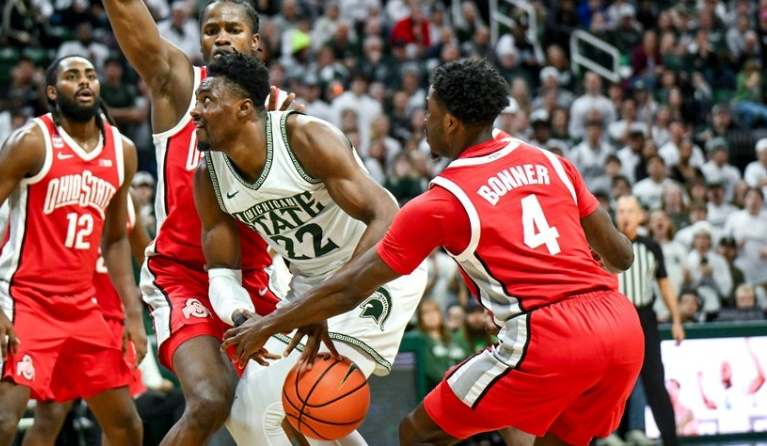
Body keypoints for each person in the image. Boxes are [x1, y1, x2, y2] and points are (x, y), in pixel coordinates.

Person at [223, 58, 643, 445]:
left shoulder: (444, 198)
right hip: (620, 325)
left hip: (548, 333)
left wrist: (271, 324)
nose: (423, 122)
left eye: (428, 112)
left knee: (418, 434)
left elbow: (352, 287)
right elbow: (622, 255)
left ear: (451, 121)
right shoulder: (551, 162)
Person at [100, 0, 292, 442]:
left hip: (259, 278)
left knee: (296, 412)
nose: (221, 37)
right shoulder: (179, 85)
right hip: (183, 274)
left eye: (232, 29)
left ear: (256, 44)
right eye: (211, 29)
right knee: (210, 399)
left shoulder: (285, 112)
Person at [194, 52, 426, 445]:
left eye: (206, 101)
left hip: (378, 271)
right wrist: (239, 315)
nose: (195, 113)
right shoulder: (209, 177)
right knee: (254, 414)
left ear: (244, 109)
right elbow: (221, 270)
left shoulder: (304, 138)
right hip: (311, 287)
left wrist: (318, 303)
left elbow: (388, 219)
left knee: (298, 404)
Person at [0, 55, 144, 446]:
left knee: (126, 426)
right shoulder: (31, 142)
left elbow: (116, 239)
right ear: (53, 93)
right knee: (4, 422)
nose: (85, 82)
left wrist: (133, 312)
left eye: (91, 75)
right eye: (72, 76)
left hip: (81, 304)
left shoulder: (122, 150)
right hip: (23, 299)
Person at [25, 193, 151, 444]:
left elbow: (147, 255)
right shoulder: (66, 189)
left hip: (112, 321)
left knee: (118, 419)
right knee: (51, 414)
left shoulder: (128, 199)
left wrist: (143, 303)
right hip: (66, 314)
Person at [614, 195, 685, 446]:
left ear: (640, 215)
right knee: (612, 382)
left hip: (644, 317)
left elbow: (665, 285)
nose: (625, 216)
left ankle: (670, 440)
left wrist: (676, 320)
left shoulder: (651, 246)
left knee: (654, 380)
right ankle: (612, 437)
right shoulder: (605, 244)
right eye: (621, 210)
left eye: (630, 211)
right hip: (614, 319)